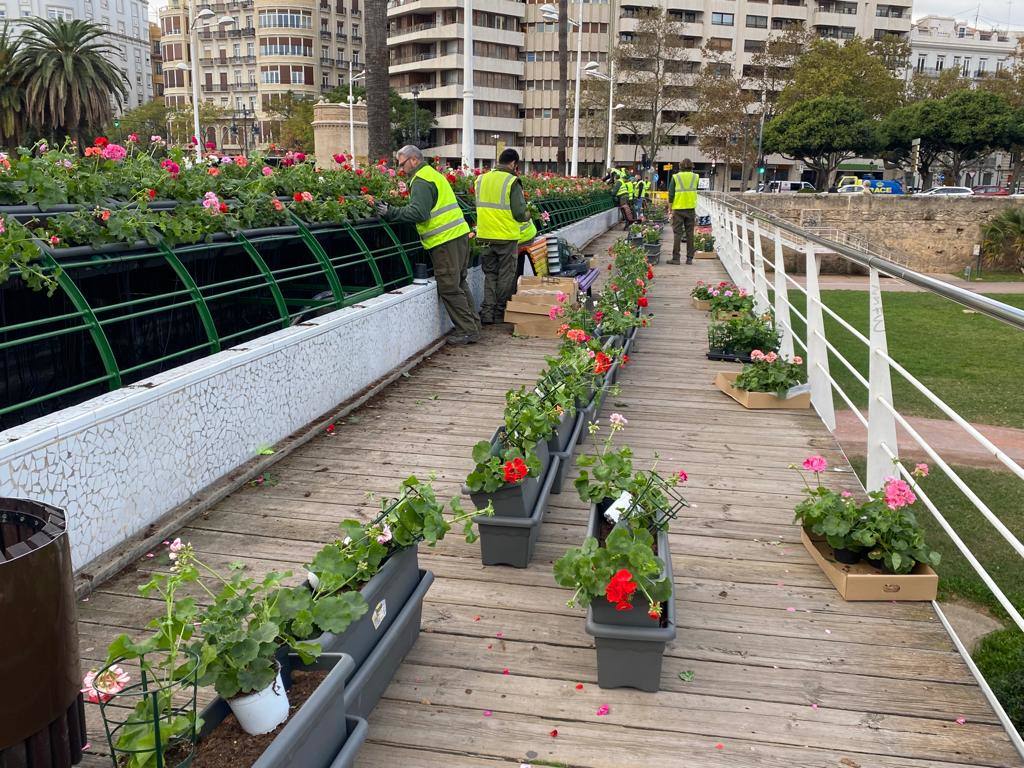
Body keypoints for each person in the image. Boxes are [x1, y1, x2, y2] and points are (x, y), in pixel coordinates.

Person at [369, 145, 480, 344]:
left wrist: (391, 212)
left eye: (402, 164)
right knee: (459, 283)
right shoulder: (433, 175)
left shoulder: (421, 181)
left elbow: (419, 213)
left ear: (414, 160)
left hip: (445, 241)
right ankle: (473, 325)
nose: (401, 169)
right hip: (459, 235)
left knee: (449, 286)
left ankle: (467, 330)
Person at [474, 148, 532, 325]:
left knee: (490, 274)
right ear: (514, 163)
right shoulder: (512, 181)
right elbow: (520, 213)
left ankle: (487, 313)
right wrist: (530, 214)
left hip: (484, 236)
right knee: (506, 275)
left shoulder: (480, 179)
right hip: (505, 237)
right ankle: (500, 311)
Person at [668, 159, 699, 265]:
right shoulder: (695, 177)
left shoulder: (676, 177)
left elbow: (671, 194)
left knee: (677, 234)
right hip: (690, 209)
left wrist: (670, 208)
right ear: (691, 166)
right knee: (690, 234)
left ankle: (676, 258)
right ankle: (689, 258)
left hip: (678, 208)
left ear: (680, 166)